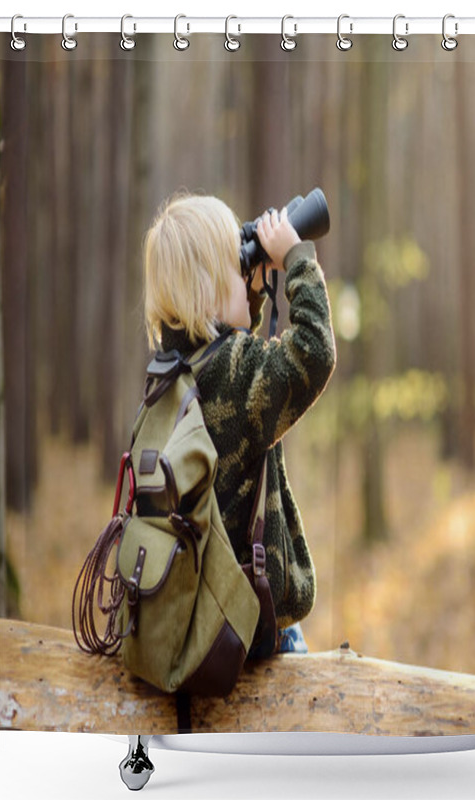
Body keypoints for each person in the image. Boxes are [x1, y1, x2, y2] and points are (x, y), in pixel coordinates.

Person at [142, 192, 336, 655]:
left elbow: (233, 347)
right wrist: (295, 258)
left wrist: (250, 288)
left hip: (210, 618)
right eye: (238, 266)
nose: (246, 273)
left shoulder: (172, 372)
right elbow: (313, 351)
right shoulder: (236, 372)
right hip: (259, 631)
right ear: (210, 289)